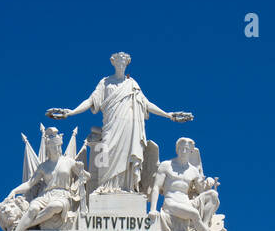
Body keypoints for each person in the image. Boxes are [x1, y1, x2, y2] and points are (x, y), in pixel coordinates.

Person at [47, 52, 191, 194]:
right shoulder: (105, 82)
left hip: (129, 125)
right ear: (113, 63)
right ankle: (105, 187)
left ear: (127, 64)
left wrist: (168, 115)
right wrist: (72, 112)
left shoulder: (132, 84)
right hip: (111, 124)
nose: (121, 65)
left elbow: (146, 104)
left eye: (124, 63)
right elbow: (91, 100)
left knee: (128, 155)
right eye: (118, 62)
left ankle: (127, 188)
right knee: (106, 151)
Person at [0, 127, 89, 231]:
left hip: (62, 195)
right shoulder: (43, 166)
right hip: (46, 195)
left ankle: (25, 225)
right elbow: (29, 184)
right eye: (53, 147)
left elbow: (86, 177)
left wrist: (81, 169)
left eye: (57, 147)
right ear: (49, 148)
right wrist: (14, 190)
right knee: (32, 209)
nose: (56, 149)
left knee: (55, 206)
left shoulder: (69, 161)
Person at [149, 137, 230, 231]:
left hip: (186, 202)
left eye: (186, 149)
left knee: (213, 195)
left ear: (191, 152)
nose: (183, 151)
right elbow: (156, 187)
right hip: (171, 202)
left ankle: (205, 225)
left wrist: (209, 182)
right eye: (181, 148)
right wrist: (153, 209)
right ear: (177, 150)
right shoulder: (166, 165)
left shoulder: (193, 170)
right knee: (194, 214)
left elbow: (201, 190)